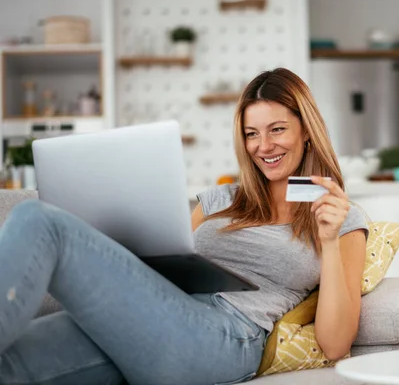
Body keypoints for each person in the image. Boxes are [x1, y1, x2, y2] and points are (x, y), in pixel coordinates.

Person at [0, 68, 368, 385]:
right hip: (158, 314)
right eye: (251, 133)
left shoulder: (339, 215)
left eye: (277, 129)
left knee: (38, 219)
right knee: (10, 364)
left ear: (306, 131)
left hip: (225, 334)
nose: (263, 145)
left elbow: (335, 344)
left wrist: (329, 239)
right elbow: (173, 256)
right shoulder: (221, 199)